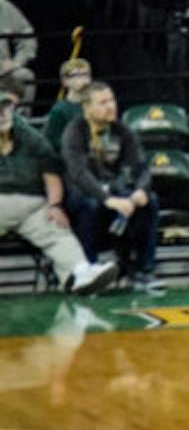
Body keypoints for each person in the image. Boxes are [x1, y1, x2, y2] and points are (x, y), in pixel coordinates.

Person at [0, 87, 116, 294]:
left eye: (5, 107)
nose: (2, 114)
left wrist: (55, 205)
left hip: (32, 207)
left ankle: (80, 274)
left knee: (58, 232)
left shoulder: (28, 135)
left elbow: (50, 169)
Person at [59, 81, 159, 291]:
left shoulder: (123, 131)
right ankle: (91, 271)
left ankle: (144, 270)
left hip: (115, 189)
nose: (111, 106)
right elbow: (78, 174)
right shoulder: (74, 131)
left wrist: (141, 189)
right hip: (84, 192)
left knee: (149, 202)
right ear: (87, 108)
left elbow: (141, 167)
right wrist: (107, 199)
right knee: (90, 205)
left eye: (112, 100)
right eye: (103, 102)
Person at [39, 58, 92, 148]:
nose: (83, 79)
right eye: (77, 75)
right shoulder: (60, 110)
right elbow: (52, 142)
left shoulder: (94, 106)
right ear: (65, 81)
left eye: (85, 75)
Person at [0, 0, 35, 105]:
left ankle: (22, 120)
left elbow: (26, 33)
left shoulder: (2, 5)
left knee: (24, 76)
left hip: (2, 72)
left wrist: (17, 62)